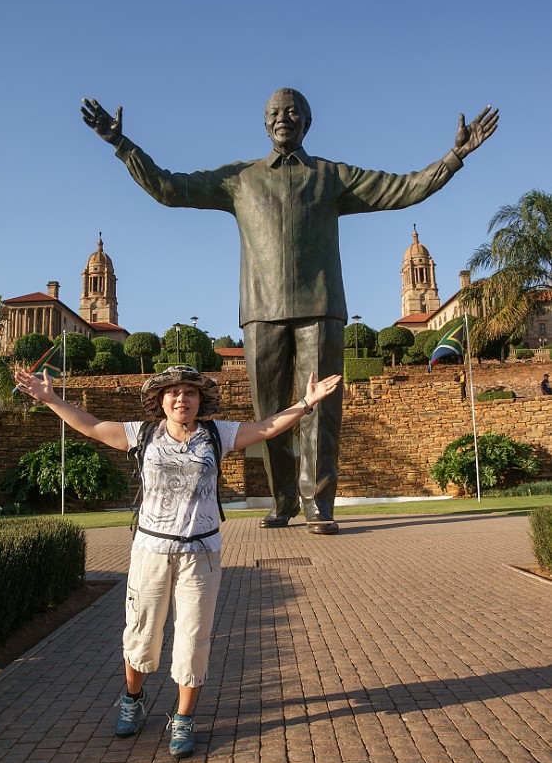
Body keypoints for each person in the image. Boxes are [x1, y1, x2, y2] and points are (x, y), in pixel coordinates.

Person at [81, 90, 498, 534]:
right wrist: (122, 145)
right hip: (260, 311)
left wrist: (454, 156)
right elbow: (169, 187)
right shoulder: (240, 178)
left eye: (293, 112)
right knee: (270, 416)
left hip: (320, 308)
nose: (284, 118)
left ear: (307, 123)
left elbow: (403, 188)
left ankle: (319, 505)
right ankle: (282, 502)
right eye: (275, 113)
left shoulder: (330, 176)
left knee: (322, 412)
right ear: (265, 124)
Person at [13, 364, 340, 759]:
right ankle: (133, 698)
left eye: (189, 392)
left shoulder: (218, 434)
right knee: (142, 633)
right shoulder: (143, 433)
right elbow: (93, 426)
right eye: (173, 392)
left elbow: (269, 427)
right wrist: (51, 399)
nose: (181, 399)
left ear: (200, 401)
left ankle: (183, 718)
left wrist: (308, 402)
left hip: (200, 554)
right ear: (160, 400)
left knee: (193, 637)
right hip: (150, 550)